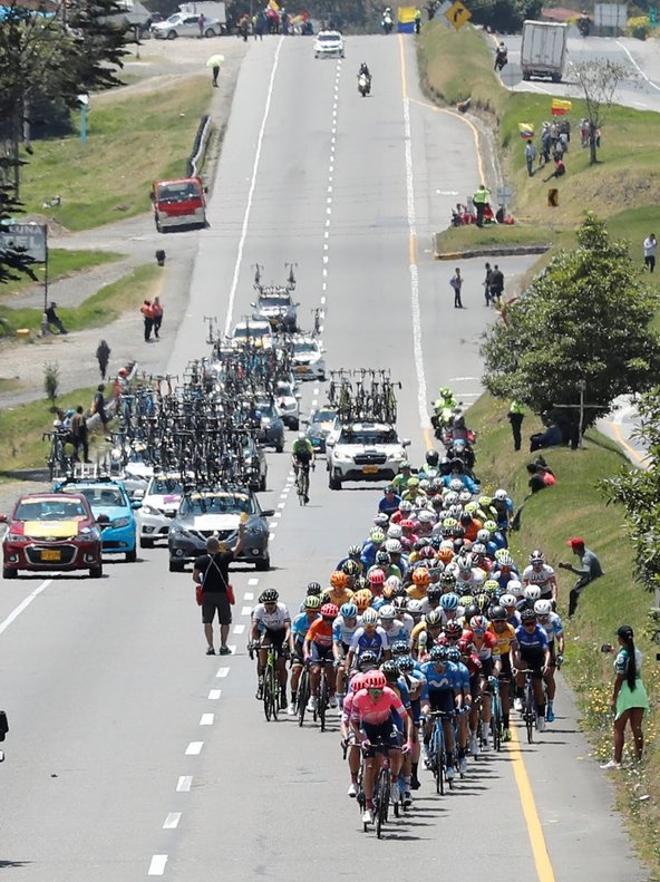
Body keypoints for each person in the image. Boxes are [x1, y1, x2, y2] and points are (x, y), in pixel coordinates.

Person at [600, 625, 649, 770]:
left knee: (618, 728)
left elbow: (619, 678)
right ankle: (638, 759)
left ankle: (617, 760)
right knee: (637, 727)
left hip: (626, 690)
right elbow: (630, 662)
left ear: (620, 639)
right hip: (639, 688)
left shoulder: (622, 656)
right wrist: (614, 652)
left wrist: (614, 697)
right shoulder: (637, 652)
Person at [193, 531, 245, 655]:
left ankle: (210, 647)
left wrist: (203, 580)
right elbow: (238, 547)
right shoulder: (224, 557)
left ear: (207, 547)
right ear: (218, 546)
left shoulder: (200, 560)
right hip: (222, 594)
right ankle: (223, 645)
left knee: (207, 621)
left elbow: (195, 577)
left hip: (207, 594)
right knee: (225, 621)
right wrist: (241, 533)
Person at [250, 588, 292, 707]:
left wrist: (286, 642)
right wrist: (253, 642)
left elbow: (288, 628)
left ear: (276, 602)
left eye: (272, 603)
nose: (269, 606)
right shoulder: (258, 609)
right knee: (263, 647)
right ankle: (262, 677)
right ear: (263, 603)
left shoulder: (282, 608)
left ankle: (283, 693)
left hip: (281, 633)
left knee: (281, 665)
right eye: (267, 604)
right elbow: (253, 628)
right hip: (267, 632)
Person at [558, 537, 603, 617]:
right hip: (591, 576)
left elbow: (586, 572)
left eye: (572, 547)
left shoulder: (586, 558)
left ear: (576, 549)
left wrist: (571, 569)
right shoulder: (584, 553)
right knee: (576, 588)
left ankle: (571, 616)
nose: (571, 549)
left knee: (573, 593)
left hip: (594, 578)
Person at [291, 432, 315, 503]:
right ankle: (296, 478)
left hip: (305, 457)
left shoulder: (307, 443)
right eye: (300, 442)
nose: (301, 443)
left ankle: (306, 493)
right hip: (298, 456)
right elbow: (293, 455)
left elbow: (312, 454)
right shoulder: (295, 443)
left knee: (306, 476)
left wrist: (312, 462)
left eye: (302, 442)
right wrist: (295, 463)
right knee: (296, 465)